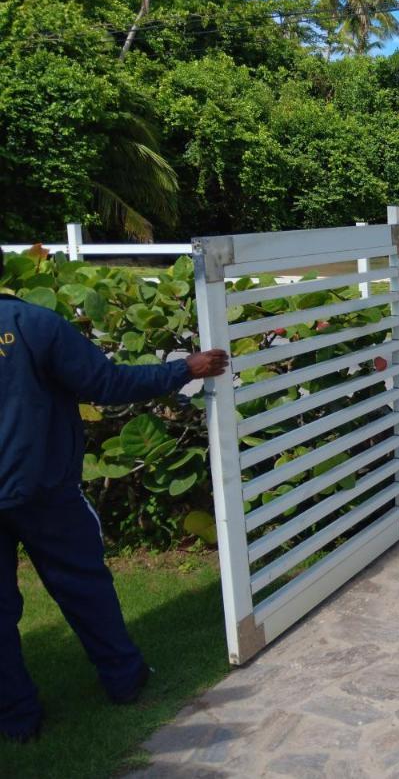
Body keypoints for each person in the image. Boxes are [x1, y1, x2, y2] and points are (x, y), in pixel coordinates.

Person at [0, 248, 228, 743]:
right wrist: (185, 368)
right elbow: (105, 383)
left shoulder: (29, 324)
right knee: (84, 588)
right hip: (45, 491)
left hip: (37, 487)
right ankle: (125, 683)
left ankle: (17, 721)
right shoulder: (30, 323)